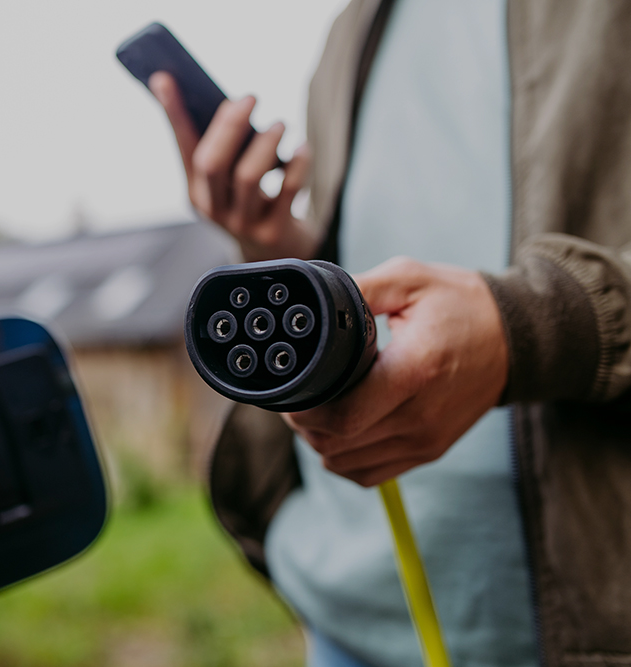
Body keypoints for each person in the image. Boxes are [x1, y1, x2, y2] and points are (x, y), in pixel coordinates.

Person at [149, 1, 631, 666]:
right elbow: (364, 270)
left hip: (570, 627)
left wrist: (535, 326)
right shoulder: (350, 32)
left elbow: (530, 317)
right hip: (344, 611)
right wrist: (279, 246)